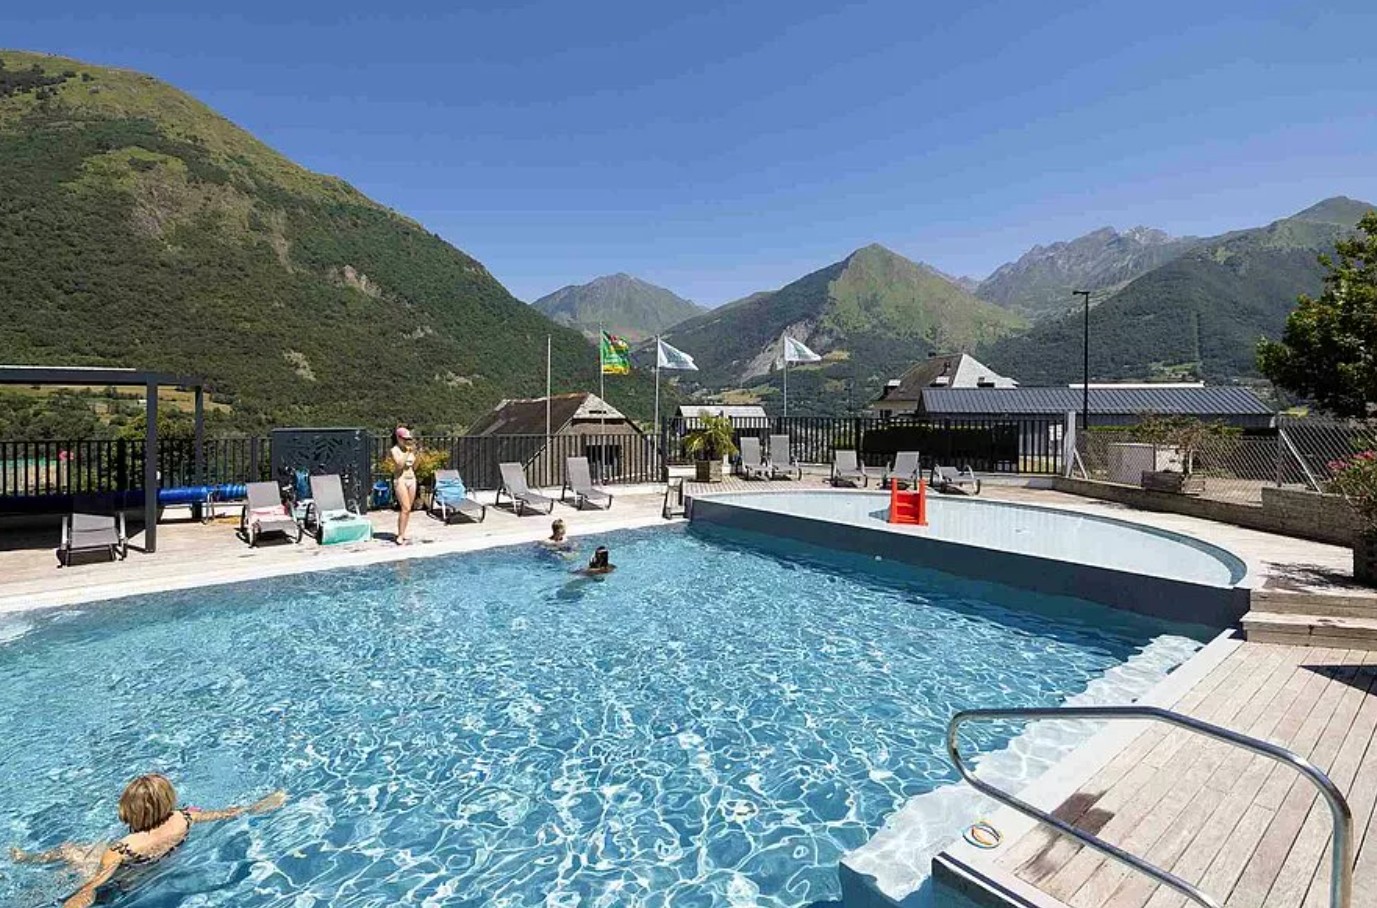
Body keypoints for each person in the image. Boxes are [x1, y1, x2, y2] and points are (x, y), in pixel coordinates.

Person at [10, 774, 286, 908]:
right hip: (150, 872)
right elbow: (229, 813)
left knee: (70, 852)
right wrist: (260, 805)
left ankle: (27, 861)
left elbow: (94, 885)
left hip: (124, 881)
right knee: (80, 853)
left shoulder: (121, 847)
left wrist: (78, 898)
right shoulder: (185, 817)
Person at [390, 426, 418, 545]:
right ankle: (400, 535)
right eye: (405, 439)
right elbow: (400, 465)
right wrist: (407, 453)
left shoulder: (409, 449)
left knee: (408, 509)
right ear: (398, 438)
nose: (407, 441)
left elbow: (415, 467)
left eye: (408, 439)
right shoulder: (394, 450)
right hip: (400, 479)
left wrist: (417, 455)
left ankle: (403, 531)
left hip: (411, 479)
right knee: (405, 507)